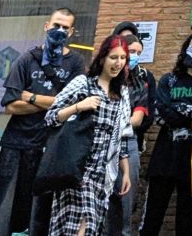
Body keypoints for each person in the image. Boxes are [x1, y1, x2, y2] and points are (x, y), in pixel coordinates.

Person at [0, 7, 86, 236]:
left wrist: (30, 96)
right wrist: (54, 102)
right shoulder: (27, 59)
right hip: (16, 142)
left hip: (50, 145)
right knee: (4, 206)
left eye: (65, 27)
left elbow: (72, 105)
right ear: (46, 26)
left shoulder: (75, 62)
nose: (59, 31)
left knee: (39, 209)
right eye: (56, 26)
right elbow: (10, 105)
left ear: (71, 32)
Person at [44, 35, 131, 236]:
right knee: (81, 223)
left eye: (123, 58)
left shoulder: (122, 94)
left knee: (89, 225)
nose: (118, 63)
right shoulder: (83, 83)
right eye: (113, 57)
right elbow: (51, 117)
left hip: (102, 172)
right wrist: (78, 106)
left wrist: (125, 172)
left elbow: (121, 137)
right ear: (102, 58)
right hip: (77, 166)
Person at [139, 31, 192, 236]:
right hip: (164, 156)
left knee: (186, 221)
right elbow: (161, 114)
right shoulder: (169, 80)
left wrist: (178, 109)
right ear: (186, 46)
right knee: (152, 218)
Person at [107, 25, 156, 236]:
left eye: (138, 52)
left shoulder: (140, 82)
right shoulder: (100, 80)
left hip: (129, 144)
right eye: (131, 52)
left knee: (125, 208)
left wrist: (108, 121)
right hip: (100, 147)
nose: (134, 56)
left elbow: (138, 119)